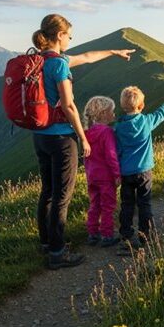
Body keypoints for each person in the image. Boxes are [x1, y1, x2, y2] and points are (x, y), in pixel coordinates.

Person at [31, 14, 135, 269]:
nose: (71, 40)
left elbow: (87, 56)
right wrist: (81, 135)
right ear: (59, 35)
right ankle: (57, 252)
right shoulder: (59, 65)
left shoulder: (39, 60)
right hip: (60, 138)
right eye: (69, 35)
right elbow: (68, 104)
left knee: (47, 191)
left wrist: (113, 51)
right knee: (61, 196)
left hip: (39, 136)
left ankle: (46, 242)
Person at [113, 86, 164, 255]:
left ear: (123, 107)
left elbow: (117, 151)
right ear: (141, 106)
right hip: (144, 171)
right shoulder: (146, 121)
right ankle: (145, 236)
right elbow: (159, 115)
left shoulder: (118, 128)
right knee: (144, 203)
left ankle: (125, 235)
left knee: (127, 204)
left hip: (126, 173)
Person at [82, 96, 121, 248]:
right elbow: (111, 155)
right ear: (103, 113)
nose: (114, 114)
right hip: (106, 177)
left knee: (94, 205)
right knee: (108, 206)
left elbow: (86, 158)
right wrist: (117, 175)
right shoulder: (107, 132)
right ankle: (107, 235)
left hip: (92, 176)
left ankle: (92, 233)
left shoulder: (87, 133)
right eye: (111, 111)